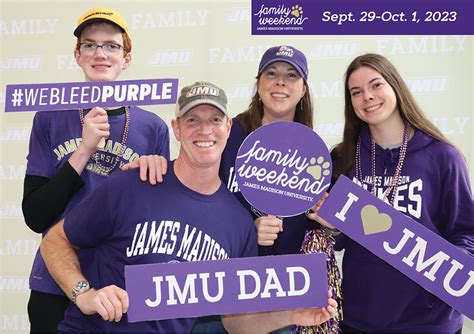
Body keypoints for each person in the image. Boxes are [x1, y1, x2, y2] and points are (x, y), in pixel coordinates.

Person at [40, 81, 338, 333]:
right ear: (177, 129)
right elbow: (56, 240)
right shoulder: (133, 183)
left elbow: (234, 320)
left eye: (214, 119)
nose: (204, 130)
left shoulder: (238, 223)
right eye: (192, 120)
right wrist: (84, 295)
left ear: (227, 127)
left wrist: (290, 316)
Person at [130, 45, 343, 333]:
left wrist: (333, 225)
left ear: (304, 89)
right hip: (219, 289)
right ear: (259, 84)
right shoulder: (227, 134)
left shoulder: (314, 152)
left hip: (278, 294)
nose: (281, 81)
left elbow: (328, 226)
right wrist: (153, 163)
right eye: (272, 73)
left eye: (292, 75)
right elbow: (189, 186)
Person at [22, 7, 170, 333]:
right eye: (90, 45)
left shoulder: (153, 127)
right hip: (56, 283)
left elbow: (160, 222)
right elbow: (35, 215)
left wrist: (148, 179)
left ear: (126, 58)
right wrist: (84, 149)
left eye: (111, 46)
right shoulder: (48, 117)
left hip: (122, 289)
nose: (100, 53)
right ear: (77, 55)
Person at [312, 53, 473, 333]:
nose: (367, 97)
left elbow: (467, 231)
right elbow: (336, 242)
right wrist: (334, 229)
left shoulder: (443, 157)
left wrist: (441, 271)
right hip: (360, 319)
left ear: (395, 87)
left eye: (376, 85)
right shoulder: (343, 158)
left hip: (429, 321)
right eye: (356, 92)